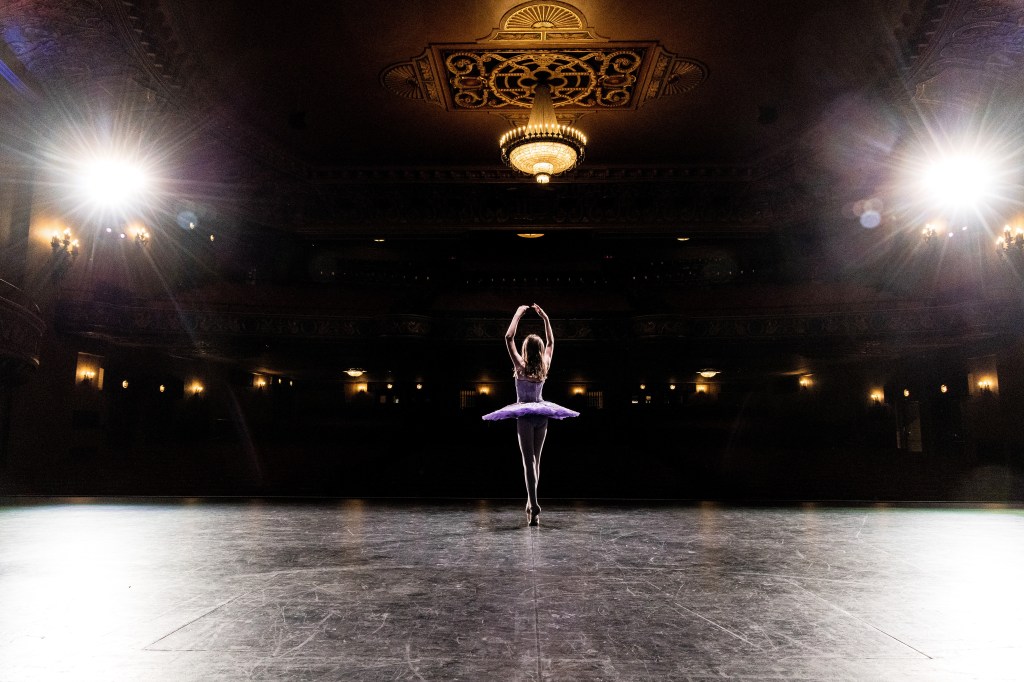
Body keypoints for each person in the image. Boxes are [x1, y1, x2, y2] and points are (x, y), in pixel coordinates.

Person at [482, 304, 579, 526]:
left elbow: (508, 338)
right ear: (540, 349)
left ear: (526, 350)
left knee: (529, 461)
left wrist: (517, 313)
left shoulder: (520, 366)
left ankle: (534, 504)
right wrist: (545, 318)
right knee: (537, 461)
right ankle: (531, 505)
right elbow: (552, 343)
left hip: (525, 414)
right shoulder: (544, 365)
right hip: (541, 413)